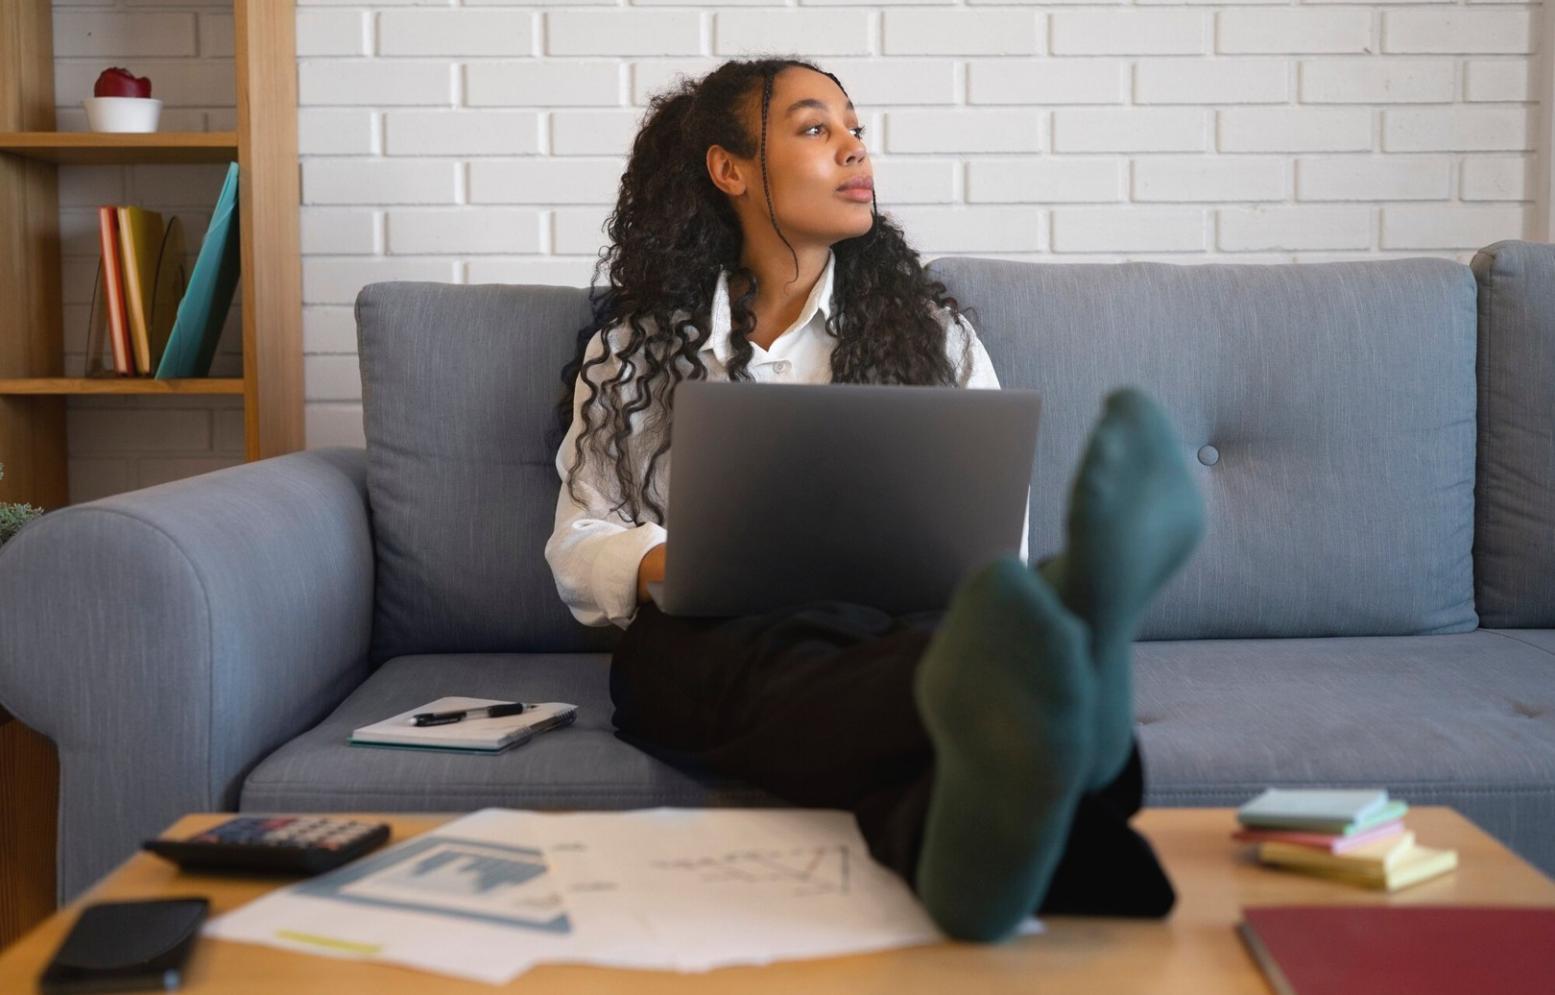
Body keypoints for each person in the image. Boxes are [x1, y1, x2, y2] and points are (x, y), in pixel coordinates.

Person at [543, 56, 1206, 943]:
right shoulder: (636, 345)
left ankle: (978, 807)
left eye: (855, 126)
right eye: (817, 128)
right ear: (729, 169)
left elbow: (989, 539)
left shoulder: (931, 333)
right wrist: (680, 560)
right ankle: (1076, 733)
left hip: (894, 623)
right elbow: (579, 537)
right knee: (684, 666)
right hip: (708, 632)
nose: (856, 146)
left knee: (904, 653)